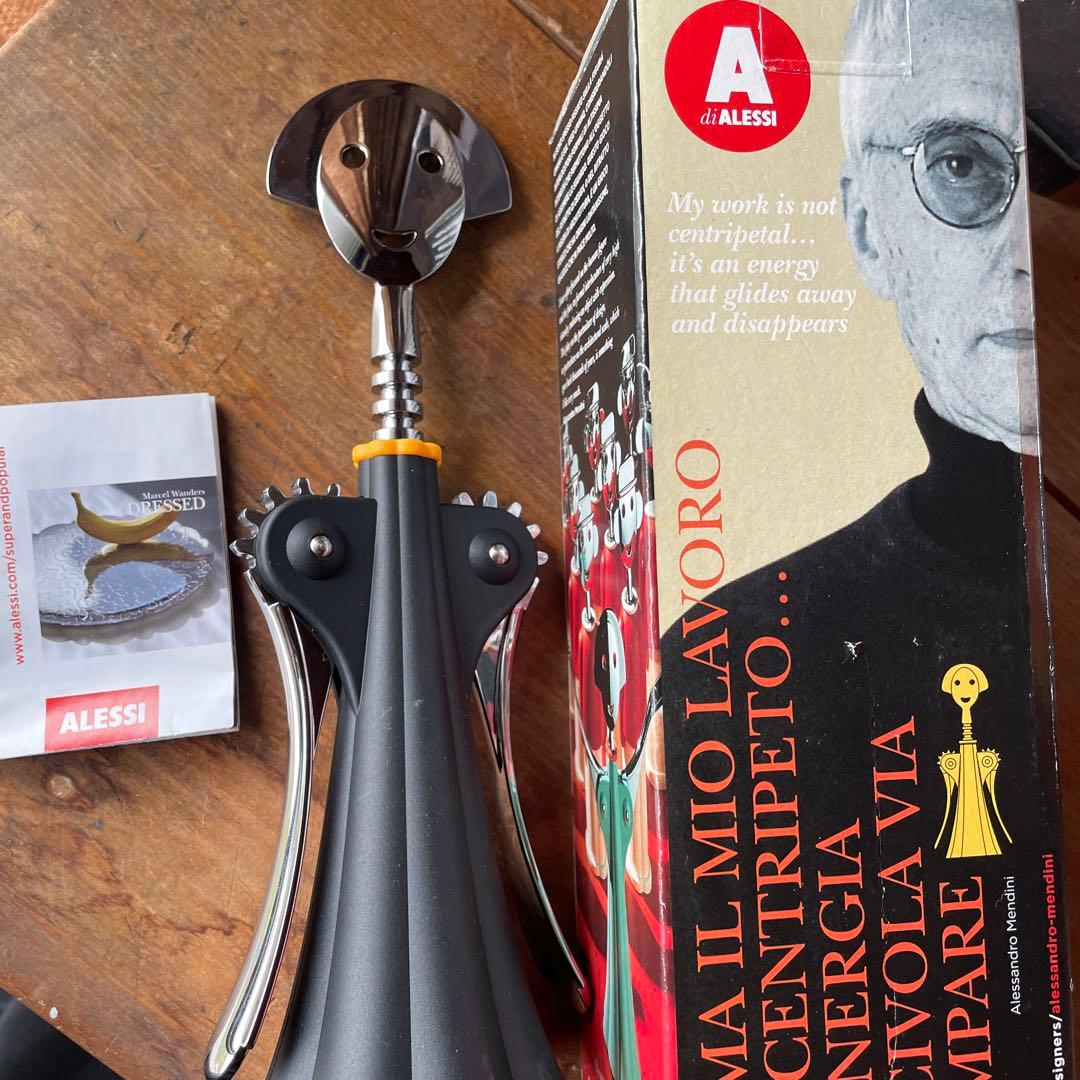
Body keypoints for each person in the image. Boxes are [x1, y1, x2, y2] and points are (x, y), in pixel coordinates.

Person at [660, 0, 1061, 1072]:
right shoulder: (734, 662)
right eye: (962, 165)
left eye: (1065, 175)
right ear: (871, 229)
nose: (1030, 245)